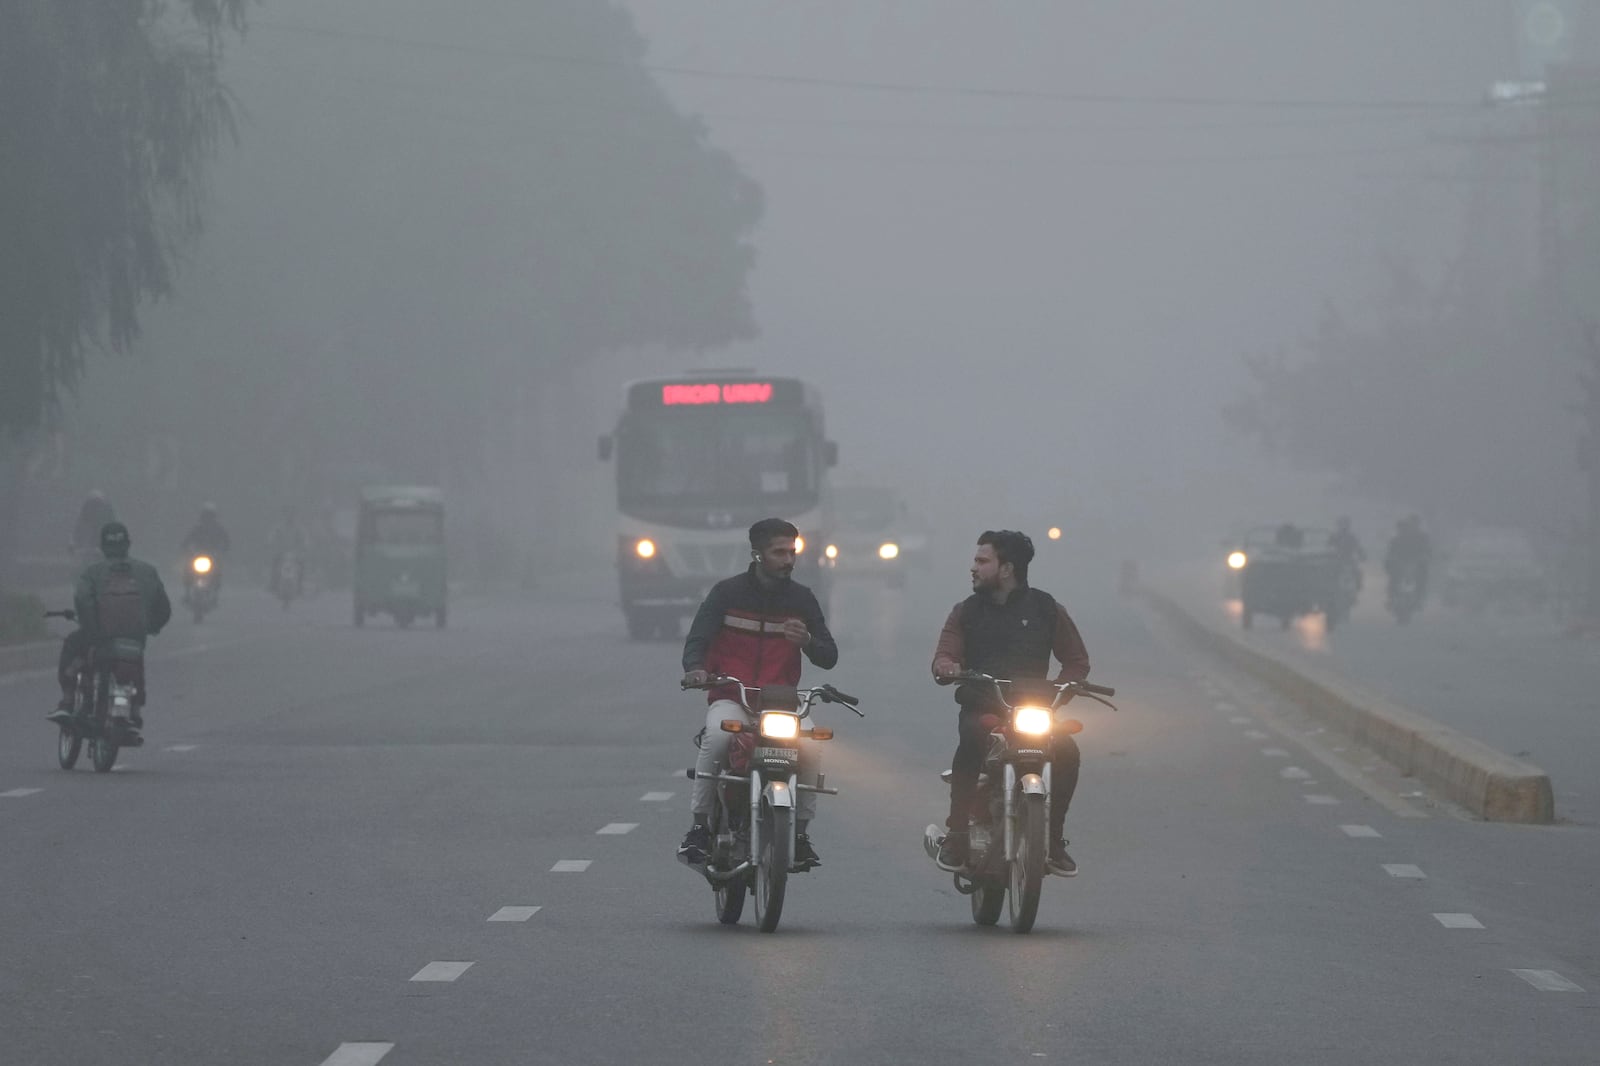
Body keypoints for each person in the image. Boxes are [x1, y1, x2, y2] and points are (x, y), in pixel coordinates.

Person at [678, 518, 838, 868]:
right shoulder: (726, 594)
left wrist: (808, 642)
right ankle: (700, 828)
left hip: (782, 704)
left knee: (810, 747)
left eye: (792, 552)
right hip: (731, 698)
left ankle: (799, 835)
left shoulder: (802, 599)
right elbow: (698, 640)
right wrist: (696, 670)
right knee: (718, 739)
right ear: (757, 554)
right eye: (779, 552)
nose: (788, 560)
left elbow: (829, 655)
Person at [931, 530, 1091, 876]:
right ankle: (957, 834)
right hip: (984, 709)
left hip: (1034, 713)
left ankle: (1052, 840)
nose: (973, 568)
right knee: (971, 741)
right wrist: (947, 667)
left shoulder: (1048, 609)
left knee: (1066, 751)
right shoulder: (966, 612)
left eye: (982, 561)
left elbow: (1076, 660)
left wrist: (1069, 682)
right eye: (976, 560)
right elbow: (944, 655)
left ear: (1007, 568)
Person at [46, 522, 172, 734]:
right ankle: (134, 709)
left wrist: (92, 628)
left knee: (74, 646)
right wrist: (149, 627)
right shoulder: (148, 572)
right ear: (128, 544)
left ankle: (67, 703)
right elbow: (164, 609)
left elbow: (83, 600)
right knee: (134, 665)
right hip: (134, 639)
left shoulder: (93, 572)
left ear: (102, 546)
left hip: (100, 638)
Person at [1385, 515, 1432, 601]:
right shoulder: (1399, 537)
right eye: (1412, 523)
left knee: (1423, 576)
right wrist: (1391, 559)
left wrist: (1426, 557)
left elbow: (1427, 550)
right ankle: (1392, 595)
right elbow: (1392, 551)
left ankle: (1421, 596)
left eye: (1416, 523)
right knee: (1394, 576)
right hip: (1401, 562)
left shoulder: (1422, 537)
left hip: (1416, 562)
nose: (1413, 525)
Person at [267, 506, 310, 596]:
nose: (289, 517)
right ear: (284, 516)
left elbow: (305, 538)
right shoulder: (279, 527)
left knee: (302, 566)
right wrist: (270, 543)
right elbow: (272, 536)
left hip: (295, 553)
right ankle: (273, 584)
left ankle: (300, 586)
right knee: (274, 565)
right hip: (281, 552)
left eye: (291, 515)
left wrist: (306, 545)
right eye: (287, 515)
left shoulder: (298, 528)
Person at [71, 491, 115, 558]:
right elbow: (75, 538)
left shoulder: (109, 520)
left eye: (97, 506)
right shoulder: (83, 520)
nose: (95, 510)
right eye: (93, 507)